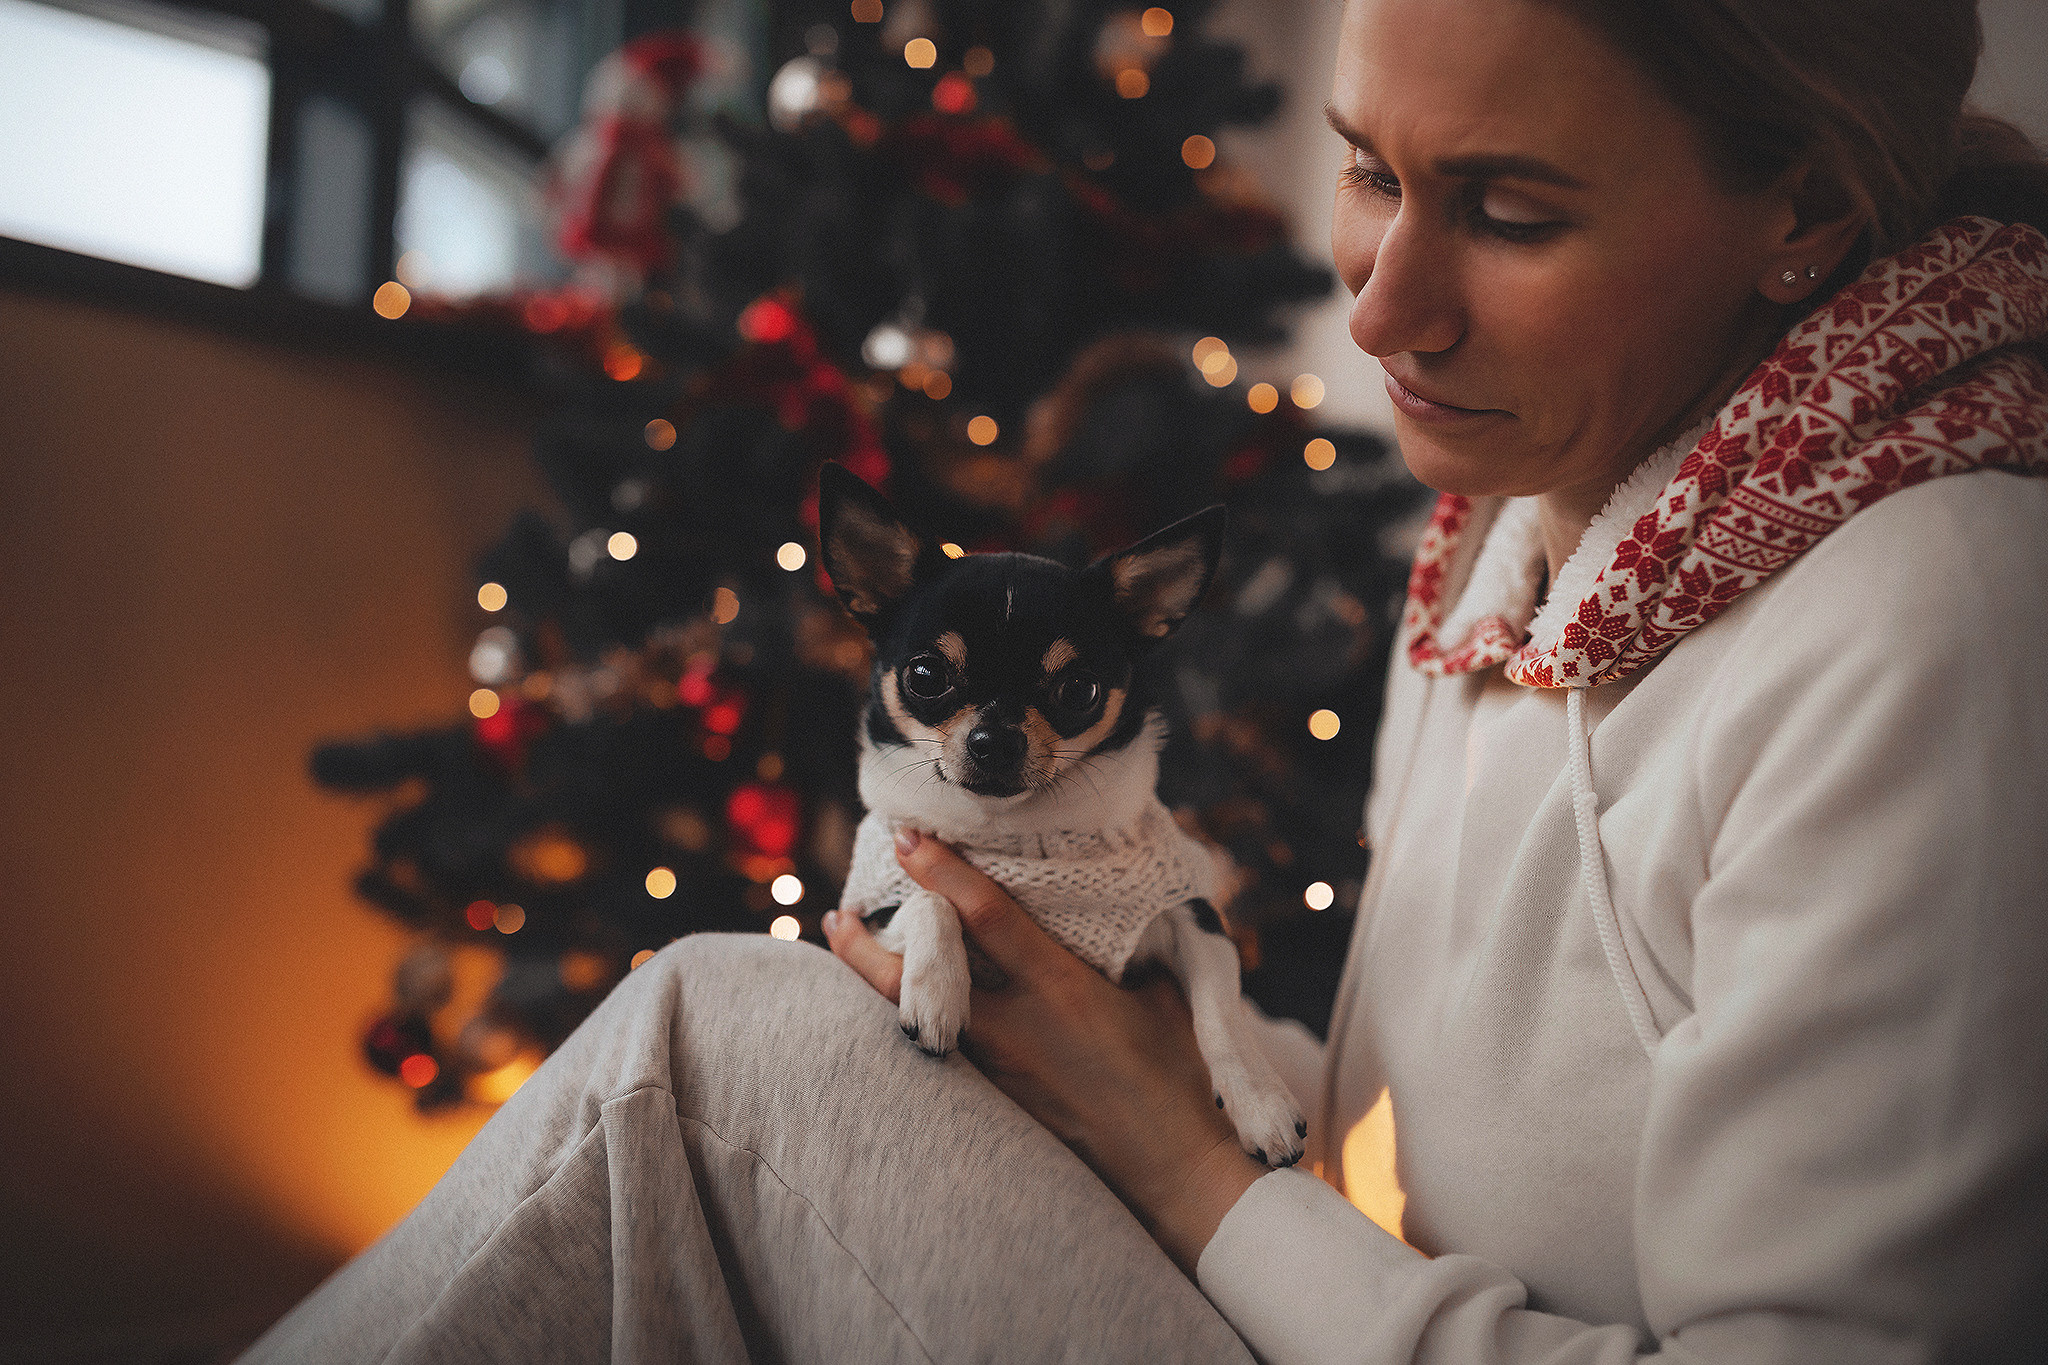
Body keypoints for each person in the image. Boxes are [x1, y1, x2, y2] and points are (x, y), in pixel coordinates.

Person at [244, 0, 2048, 1360]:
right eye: (1368, 169)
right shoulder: (1519, 542)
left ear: (1796, 209)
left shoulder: (1928, 614)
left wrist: (1190, 1173)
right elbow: (1396, 1141)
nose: (1378, 307)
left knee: (706, 1050)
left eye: (1505, 209)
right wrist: (1136, 1056)